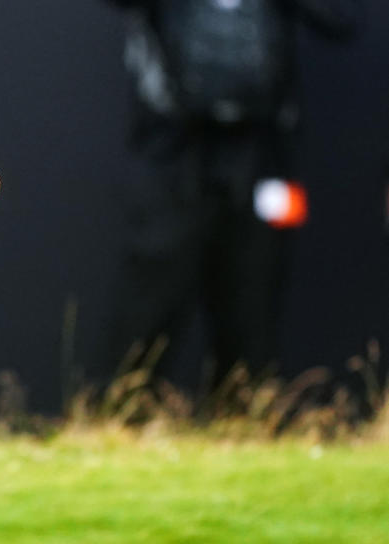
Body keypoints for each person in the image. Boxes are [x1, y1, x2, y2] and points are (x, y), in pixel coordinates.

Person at [96, 0, 359, 397]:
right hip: (174, 156)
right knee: (145, 311)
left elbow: (343, 20)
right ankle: (116, 420)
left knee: (252, 309)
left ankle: (245, 421)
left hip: (260, 160)